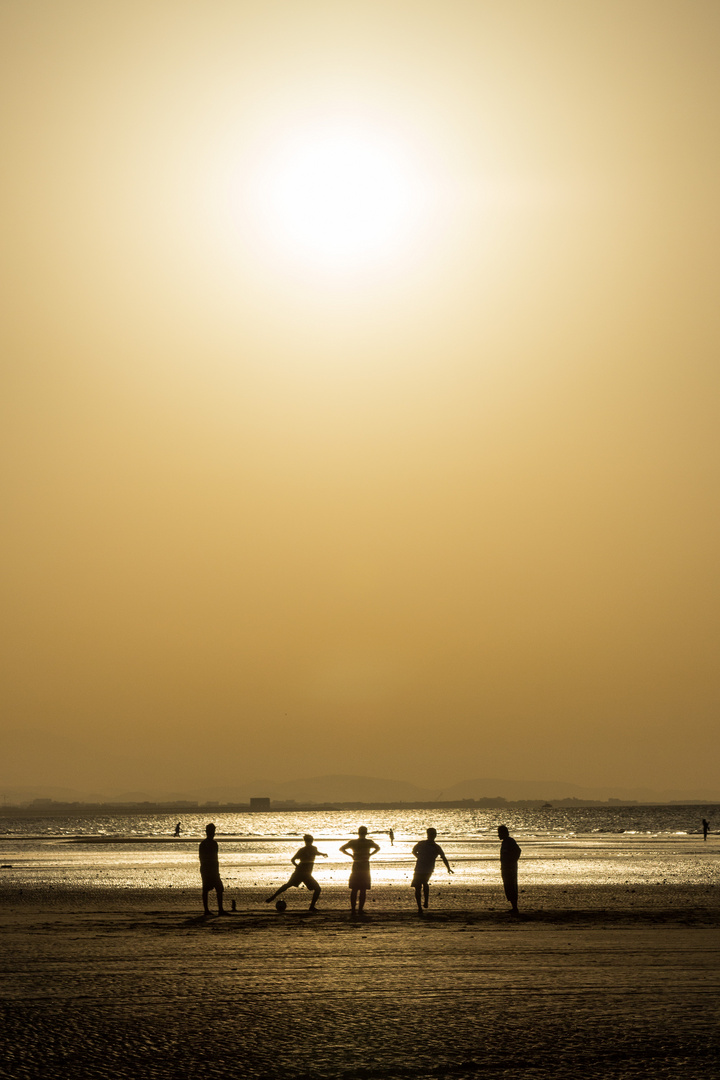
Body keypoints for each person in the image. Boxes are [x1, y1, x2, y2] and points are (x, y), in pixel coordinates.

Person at [265, 834, 328, 911]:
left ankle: (273, 897)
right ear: (305, 841)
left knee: (289, 885)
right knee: (316, 888)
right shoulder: (302, 850)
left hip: (304, 873)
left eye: (310, 840)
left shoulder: (313, 849)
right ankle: (273, 897)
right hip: (301, 873)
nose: (309, 842)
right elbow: (293, 859)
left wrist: (322, 854)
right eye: (308, 841)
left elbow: (316, 852)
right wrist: (297, 866)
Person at [410, 827, 453, 914]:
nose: (434, 835)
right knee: (419, 886)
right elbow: (414, 851)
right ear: (429, 835)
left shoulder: (434, 847)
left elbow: (443, 857)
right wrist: (418, 857)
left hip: (426, 868)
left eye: (434, 834)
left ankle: (424, 903)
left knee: (422, 884)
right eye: (433, 834)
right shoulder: (424, 844)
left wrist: (448, 868)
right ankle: (421, 906)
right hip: (421, 868)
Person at [340, 826, 380, 914]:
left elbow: (342, 849)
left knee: (354, 888)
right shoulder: (368, 842)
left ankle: (353, 908)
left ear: (358, 833)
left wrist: (351, 855)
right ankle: (360, 909)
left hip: (356, 864)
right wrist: (370, 854)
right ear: (366, 833)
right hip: (365, 865)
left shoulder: (353, 842)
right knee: (363, 888)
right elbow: (378, 848)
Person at [199, 823, 226, 916]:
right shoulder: (210, 844)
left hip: (207, 869)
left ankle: (216, 910)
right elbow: (212, 858)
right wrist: (214, 870)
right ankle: (215, 910)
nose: (213, 833)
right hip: (209, 869)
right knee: (213, 889)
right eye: (213, 831)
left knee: (216, 889)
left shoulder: (206, 844)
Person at [498, 824, 521, 915]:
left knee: (511, 886)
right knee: (508, 886)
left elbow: (518, 851)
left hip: (510, 868)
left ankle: (515, 908)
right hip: (506, 867)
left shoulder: (510, 841)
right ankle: (514, 907)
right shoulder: (505, 842)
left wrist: (512, 862)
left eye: (499, 833)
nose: (498, 835)